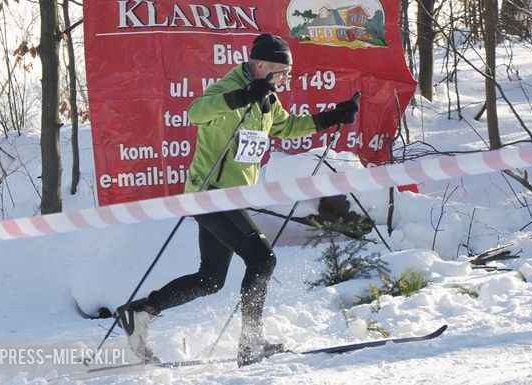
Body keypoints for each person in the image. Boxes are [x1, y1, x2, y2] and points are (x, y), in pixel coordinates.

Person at [115, 33, 359, 367]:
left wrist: (331, 116)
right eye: (281, 71)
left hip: (233, 197)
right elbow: (196, 112)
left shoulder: (268, 97)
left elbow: (285, 127)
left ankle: (140, 312)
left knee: (210, 280)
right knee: (263, 260)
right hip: (210, 194)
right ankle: (251, 344)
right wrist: (242, 96)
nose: (286, 78)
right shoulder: (231, 87)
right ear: (260, 66)